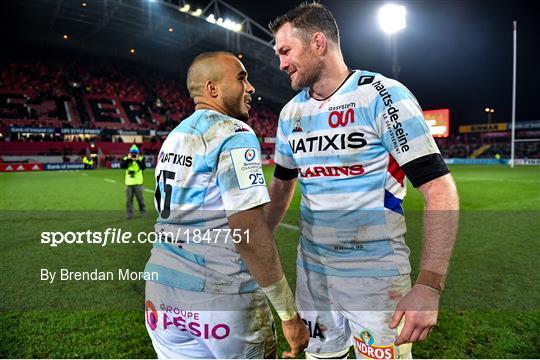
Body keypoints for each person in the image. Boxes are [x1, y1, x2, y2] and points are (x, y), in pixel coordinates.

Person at [266, 3, 459, 359]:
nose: (281, 63)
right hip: (313, 278)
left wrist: (430, 285)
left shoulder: (383, 96)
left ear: (318, 43)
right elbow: (280, 186)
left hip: (376, 277)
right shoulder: (291, 113)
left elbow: (440, 190)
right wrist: (258, 243)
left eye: (285, 51)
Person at [144, 51, 309, 359]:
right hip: (220, 296)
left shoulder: (175, 137)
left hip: (162, 294)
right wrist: (289, 314)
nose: (251, 88)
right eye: (242, 78)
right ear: (213, 89)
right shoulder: (232, 132)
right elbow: (247, 229)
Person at [121, 144, 146, 219]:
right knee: (128, 200)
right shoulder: (126, 158)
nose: (134, 154)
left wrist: (137, 160)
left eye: (135, 153)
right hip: (129, 184)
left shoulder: (141, 159)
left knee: (140, 199)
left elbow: (143, 167)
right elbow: (123, 166)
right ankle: (130, 214)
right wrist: (129, 159)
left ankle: (143, 212)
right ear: (130, 153)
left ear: (138, 153)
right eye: (133, 153)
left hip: (138, 183)